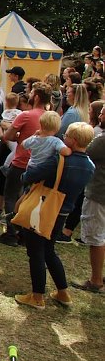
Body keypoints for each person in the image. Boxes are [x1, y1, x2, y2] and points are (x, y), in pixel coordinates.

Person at [15, 122, 95, 309]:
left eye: (66, 135)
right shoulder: (90, 165)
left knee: (36, 251)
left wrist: (27, 174)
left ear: (73, 140)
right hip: (63, 212)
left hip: (44, 208)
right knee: (49, 250)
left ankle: (37, 297)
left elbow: (30, 176)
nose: (63, 137)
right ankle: (62, 292)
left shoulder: (60, 160)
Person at [0, 82, 50, 246]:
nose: (29, 95)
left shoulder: (26, 115)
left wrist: (19, 135)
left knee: (11, 197)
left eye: (32, 92)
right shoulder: (51, 117)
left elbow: (7, 136)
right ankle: (23, 233)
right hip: (41, 165)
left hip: (21, 162)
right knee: (29, 199)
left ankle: (11, 233)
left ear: (37, 97)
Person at [72, 109, 105, 293]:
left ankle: (96, 280)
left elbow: (83, 151)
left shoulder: (102, 140)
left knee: (96, 237)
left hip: (99, 194)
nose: (100, 116)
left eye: (103, 114)